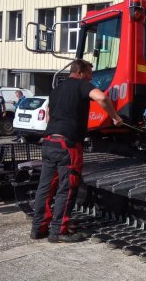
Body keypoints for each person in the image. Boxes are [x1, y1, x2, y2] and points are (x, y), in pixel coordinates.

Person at [31, 59, 123, 243]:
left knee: (45, 187)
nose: (91, 77)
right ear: (80, 73)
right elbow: (102, 98)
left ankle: (38, 228)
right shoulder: (82, 85)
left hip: (49, 142)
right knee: (67, 187)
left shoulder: (57, 89)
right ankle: (59, 231)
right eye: (89, 73)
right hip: (68, 145)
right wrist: (115, 117)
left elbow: (49, 113)